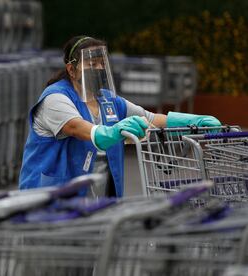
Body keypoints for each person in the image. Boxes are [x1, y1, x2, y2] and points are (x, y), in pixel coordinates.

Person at [19, 35, 221, 197]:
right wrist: (114, 132)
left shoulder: (108, 101)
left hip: (98, 199)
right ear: (72, 69)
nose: (98, 69)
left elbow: (149, 119)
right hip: (50, 199)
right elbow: (77, 128)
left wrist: (194, 121)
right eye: (91, 63)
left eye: (101, 63)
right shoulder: (56, 99)